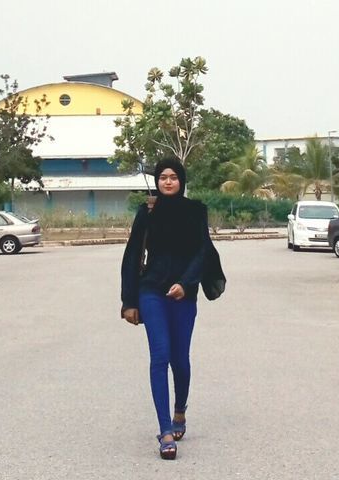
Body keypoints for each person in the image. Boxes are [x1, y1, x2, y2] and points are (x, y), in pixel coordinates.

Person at [120, 157, 217, 461]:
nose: (168, 182)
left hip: (183, 294)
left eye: (173, 177)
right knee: (159, 356)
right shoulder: (148, 211)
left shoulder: (195, 211)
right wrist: (129, 300)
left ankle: (180, 411)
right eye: (163, 177)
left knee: (180, 359)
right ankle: (164, 431)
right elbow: (133, 253)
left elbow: (203, 252)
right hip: (152, 290)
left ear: (182, 180)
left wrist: (187, 284)